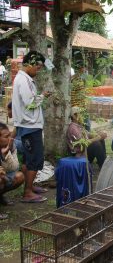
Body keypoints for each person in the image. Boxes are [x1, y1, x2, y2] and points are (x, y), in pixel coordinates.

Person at [12, 51, 51, 203]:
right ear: (30, 64)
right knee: (35, 158)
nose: (38, 71)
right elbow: (30, 103)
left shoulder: (25, 79)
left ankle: (30, 186)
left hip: (29, 124)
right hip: (29, 125)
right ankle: (27, 192)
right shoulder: (23, 80)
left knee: (31, 158)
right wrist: (42, 96)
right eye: (38, 68)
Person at [0, 123, 25, 215]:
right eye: (6, 136)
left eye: (10, 135)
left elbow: (14, 167)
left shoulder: (11, 145)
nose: (10, 138)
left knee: (19, 176)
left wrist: (6, 154)